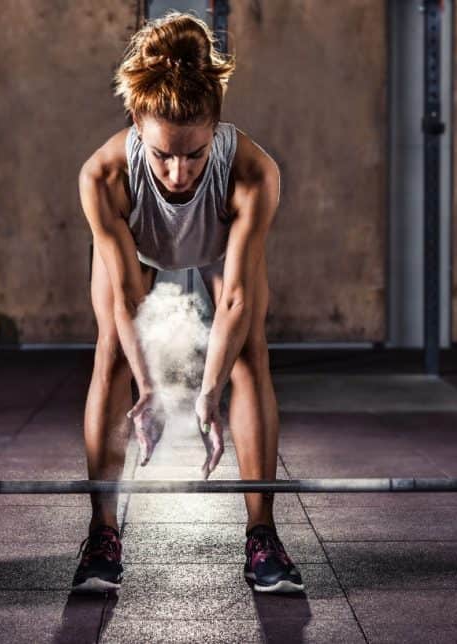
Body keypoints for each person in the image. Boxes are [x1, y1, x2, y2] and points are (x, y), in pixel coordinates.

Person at [73, 11, 303, 594]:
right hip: (139, 251)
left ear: (216, 129)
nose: (178, 173)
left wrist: (206, 397)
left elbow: (237, 301)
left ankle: (261, 536)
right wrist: (151, 392)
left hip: (219, 243)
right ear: (136, 123)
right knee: (115, 356)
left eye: (195, 154)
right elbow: (128, 299)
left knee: (249, 354)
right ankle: (103, 535)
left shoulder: (252, 171)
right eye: (163, 156)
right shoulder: (104, 177)